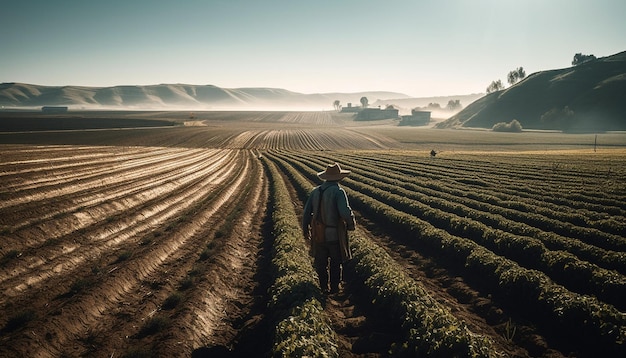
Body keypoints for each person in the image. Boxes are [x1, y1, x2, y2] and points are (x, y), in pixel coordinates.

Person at [302, 162, 356, 294]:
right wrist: (351, 224)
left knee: (321, 261)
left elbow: (306, 212)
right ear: (339, 178)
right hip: (334, 234)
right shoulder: (338, 191)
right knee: (336, 261)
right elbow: (345, 212)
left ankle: (323, 286)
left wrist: (305, 229)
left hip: (318, 234)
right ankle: (334, 287)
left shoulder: (315, 191)